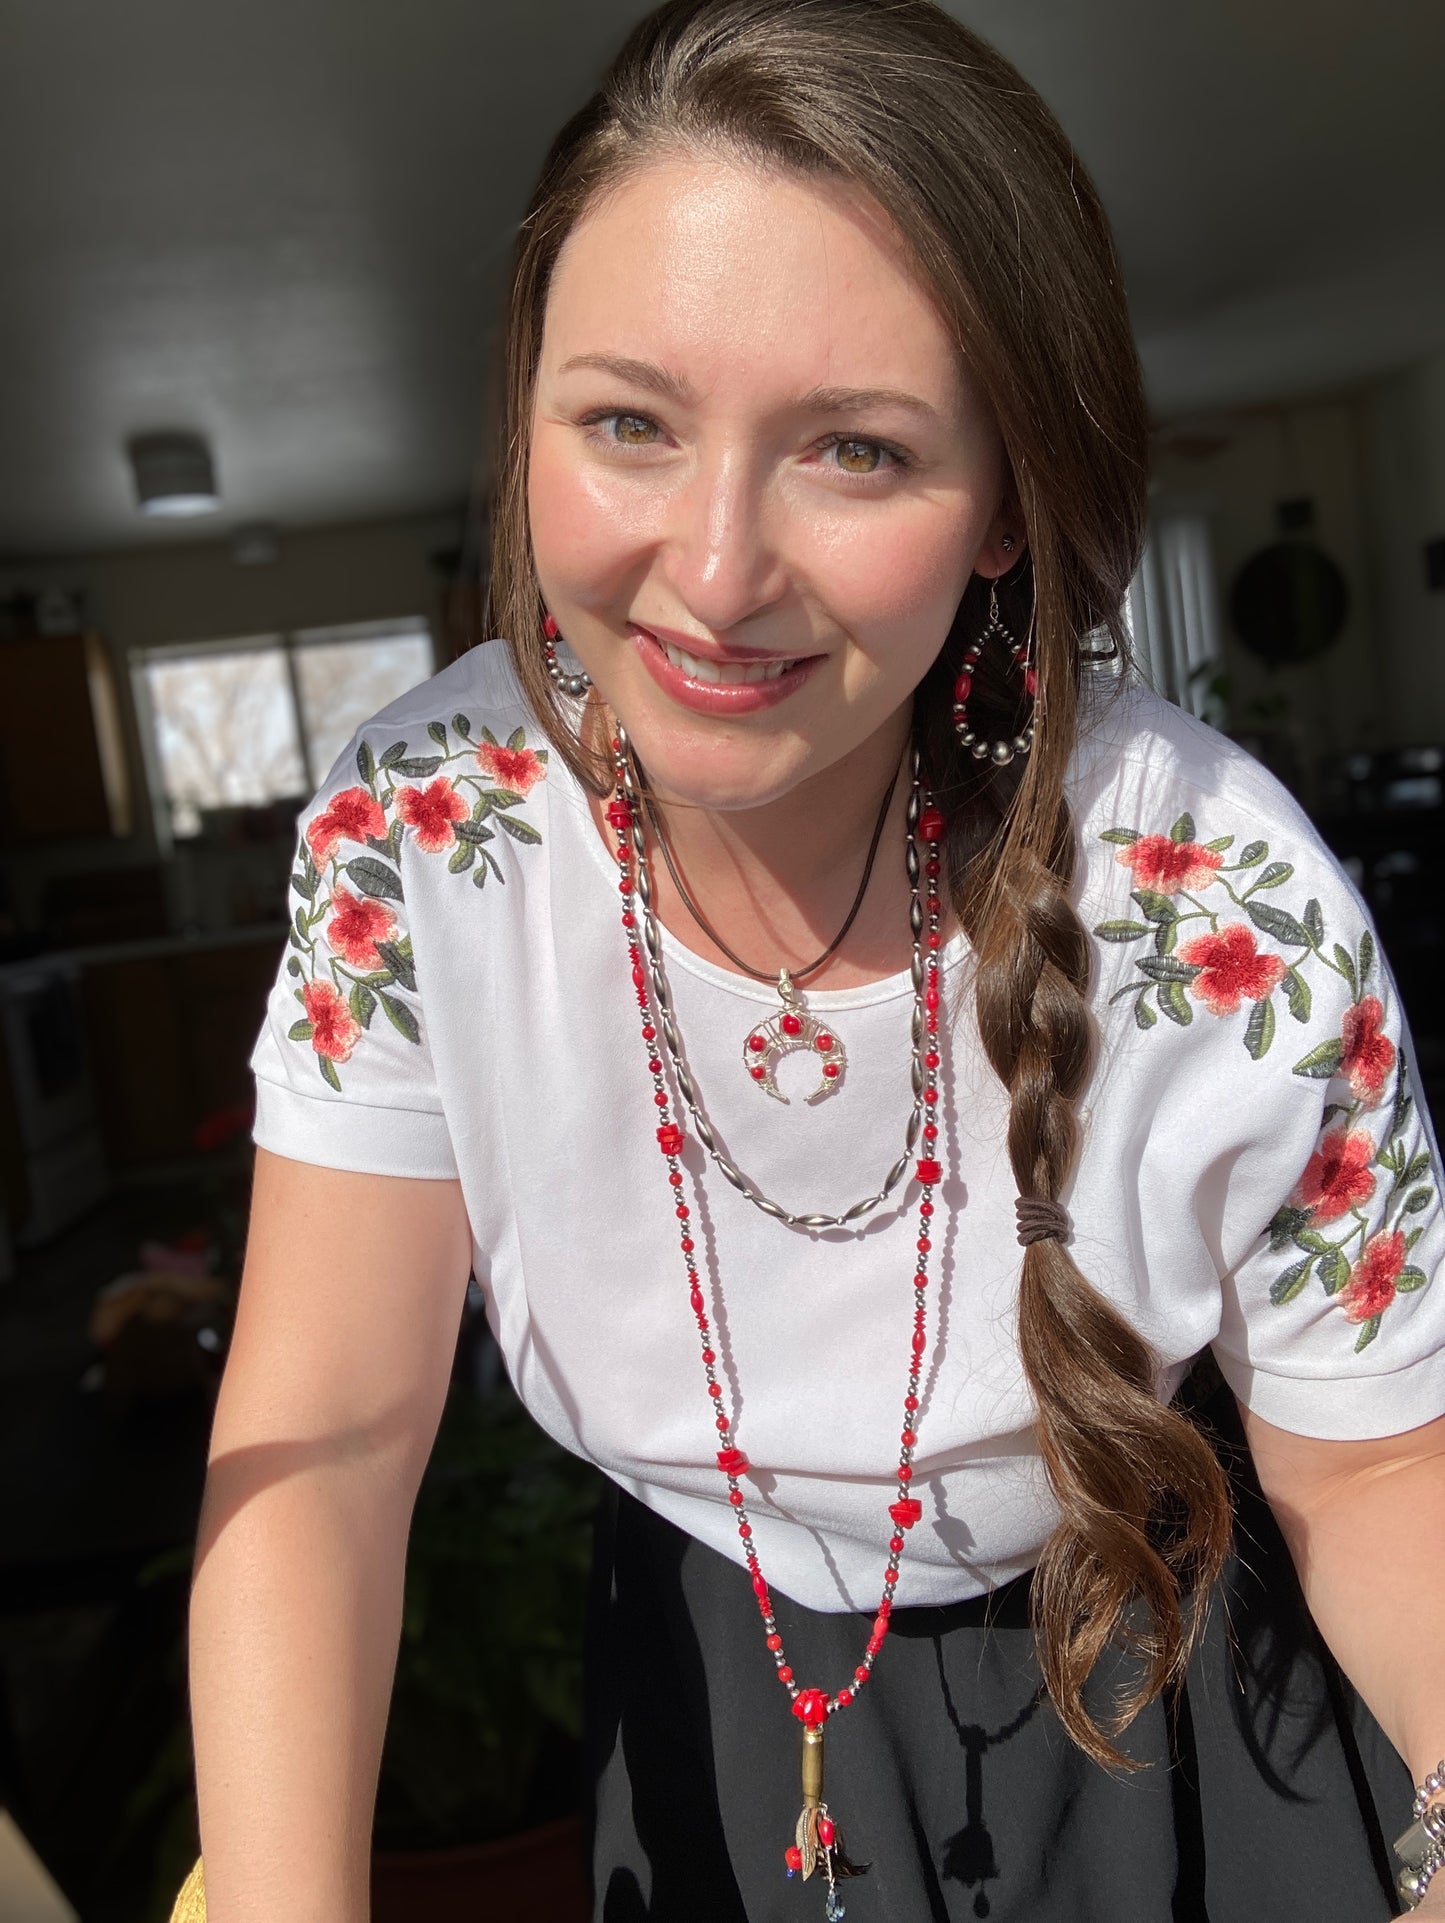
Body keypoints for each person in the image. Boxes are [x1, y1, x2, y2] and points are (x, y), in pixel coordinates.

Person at [186, 2, 1445, 1917]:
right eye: (626, 423)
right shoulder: (424, 839)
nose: (708, 571)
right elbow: (330, 1444)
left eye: (853, 451)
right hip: (711, 1667)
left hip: (1176, 1673)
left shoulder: (1217, 912)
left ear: (1009, 502)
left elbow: (1373, 1478)